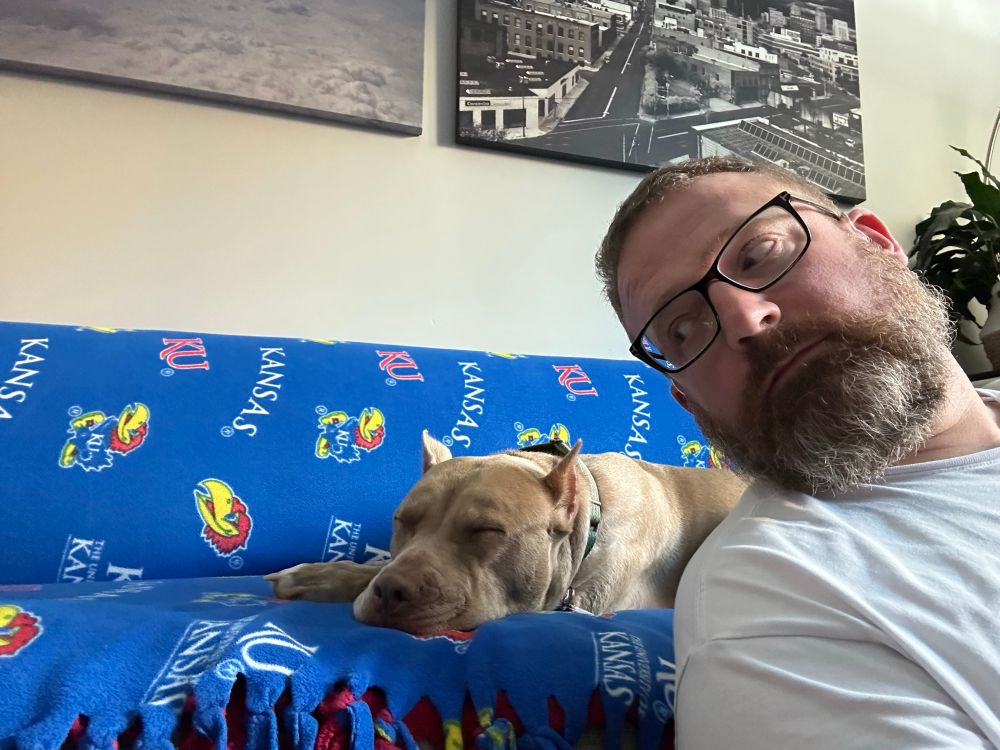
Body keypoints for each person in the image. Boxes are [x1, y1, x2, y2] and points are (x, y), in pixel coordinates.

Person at [595, 156, 1000, 748]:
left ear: (879, 245)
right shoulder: (766, 606)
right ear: (688, 400)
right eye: (681, 329)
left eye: (759, 255)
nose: (744, 318)